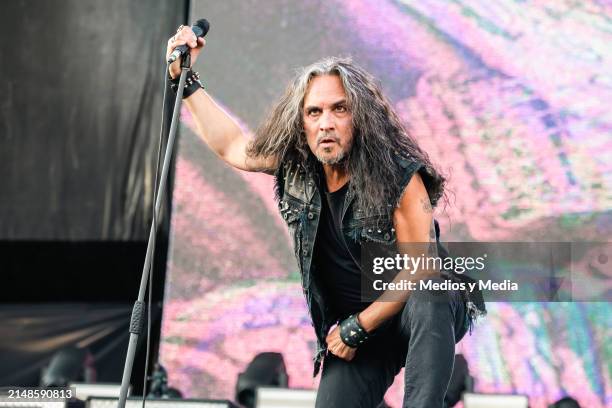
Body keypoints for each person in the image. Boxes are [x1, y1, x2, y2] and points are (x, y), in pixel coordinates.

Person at [166, 26, 485, 408]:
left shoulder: (400, 176)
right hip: (364, 323)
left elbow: (420, 268)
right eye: (314, 112)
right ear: (302, 122)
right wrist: (186, 83)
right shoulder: (297, 168)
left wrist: (356, 327)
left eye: (339, 109)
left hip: (414, 307)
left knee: (429, 294)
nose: (326, 123)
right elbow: (233, 145)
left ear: (360, 117)